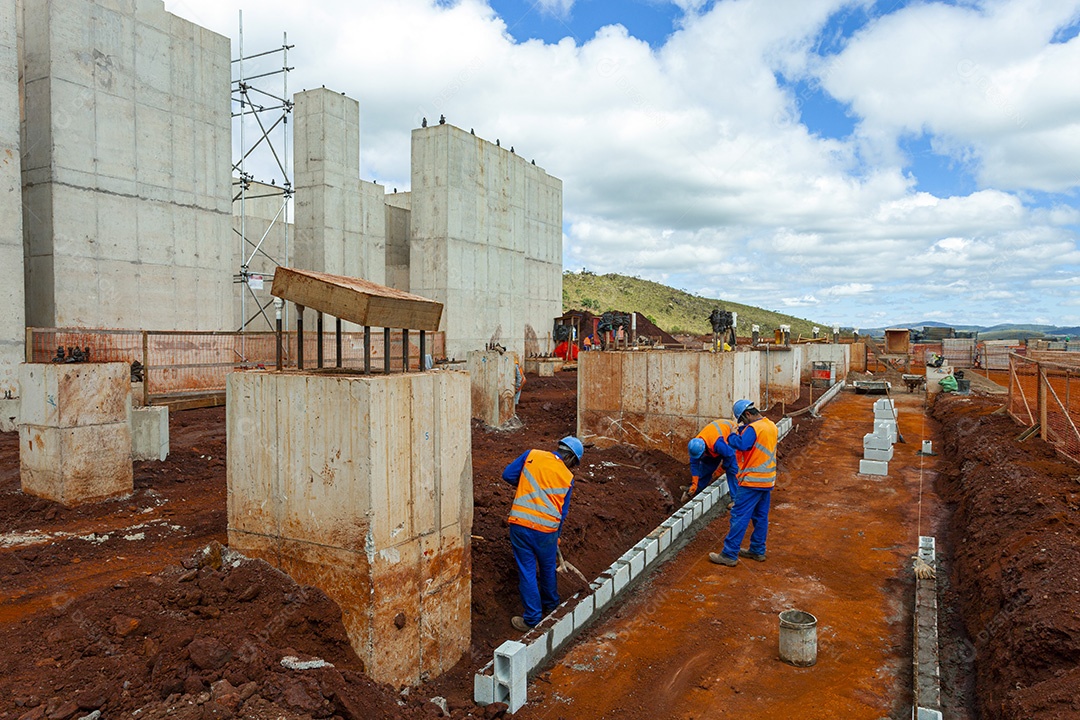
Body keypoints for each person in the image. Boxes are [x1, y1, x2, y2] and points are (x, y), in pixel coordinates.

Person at [503, 436, 584, 631]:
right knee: (548, 568)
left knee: (527, 571)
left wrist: (526, 486)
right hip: (547, 532)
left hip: (521, 526)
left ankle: (532, 618)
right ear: (572, 459)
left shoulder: (532, 455)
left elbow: (507, 475)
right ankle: (552, 605)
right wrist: (556, 536)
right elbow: (562, 513)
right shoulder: (567, 478)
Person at [709, 400, 778, 567]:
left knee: (739, 516)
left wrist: (732, 433)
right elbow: (753, 441)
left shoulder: (754, 429)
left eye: (742, 421)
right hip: (767, 480)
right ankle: (757, 550)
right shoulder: (770, 425)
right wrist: (741, 430)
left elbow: (741, 444)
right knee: (760, 517)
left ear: (747, 415)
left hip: (752, 481)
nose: (742, 425)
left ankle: (729, 554)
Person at [684, 419, 738, 506]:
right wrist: (694, 483)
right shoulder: (696, 445)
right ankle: (697, 489)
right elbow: (694, 464)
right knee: (707, 465)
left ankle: (736, 500)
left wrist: (722, 468)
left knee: (732, 469)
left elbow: (730, 455)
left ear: (704, 449)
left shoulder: (717, 444)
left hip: (732, 434)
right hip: (716, 441)